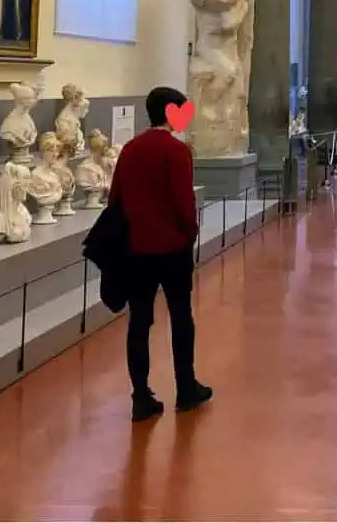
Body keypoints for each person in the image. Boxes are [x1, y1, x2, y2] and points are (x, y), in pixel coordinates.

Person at [107, 86, 213, 422]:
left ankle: (141, 396)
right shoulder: (176, 151)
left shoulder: (131, 149)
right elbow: (184, 204)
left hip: (136, 249)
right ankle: (186, 387)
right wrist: (190, 233)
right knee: (181, 317)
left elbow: (115, 200)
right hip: (172, 249)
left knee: (139, 322)